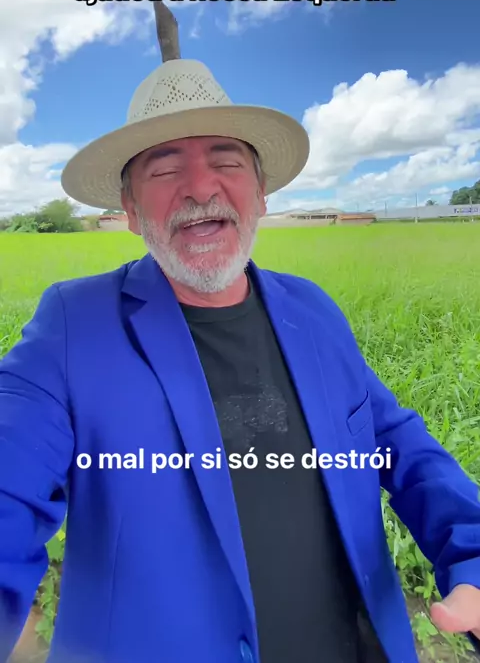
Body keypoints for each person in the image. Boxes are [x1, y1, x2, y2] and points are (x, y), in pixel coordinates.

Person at [1, 57, 480, 663]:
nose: (201, 188)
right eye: (164, 168)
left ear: (261, 193)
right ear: (130, 208)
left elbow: (396, 440)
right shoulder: (74, 326)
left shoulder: (313, 311)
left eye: (226, 162)